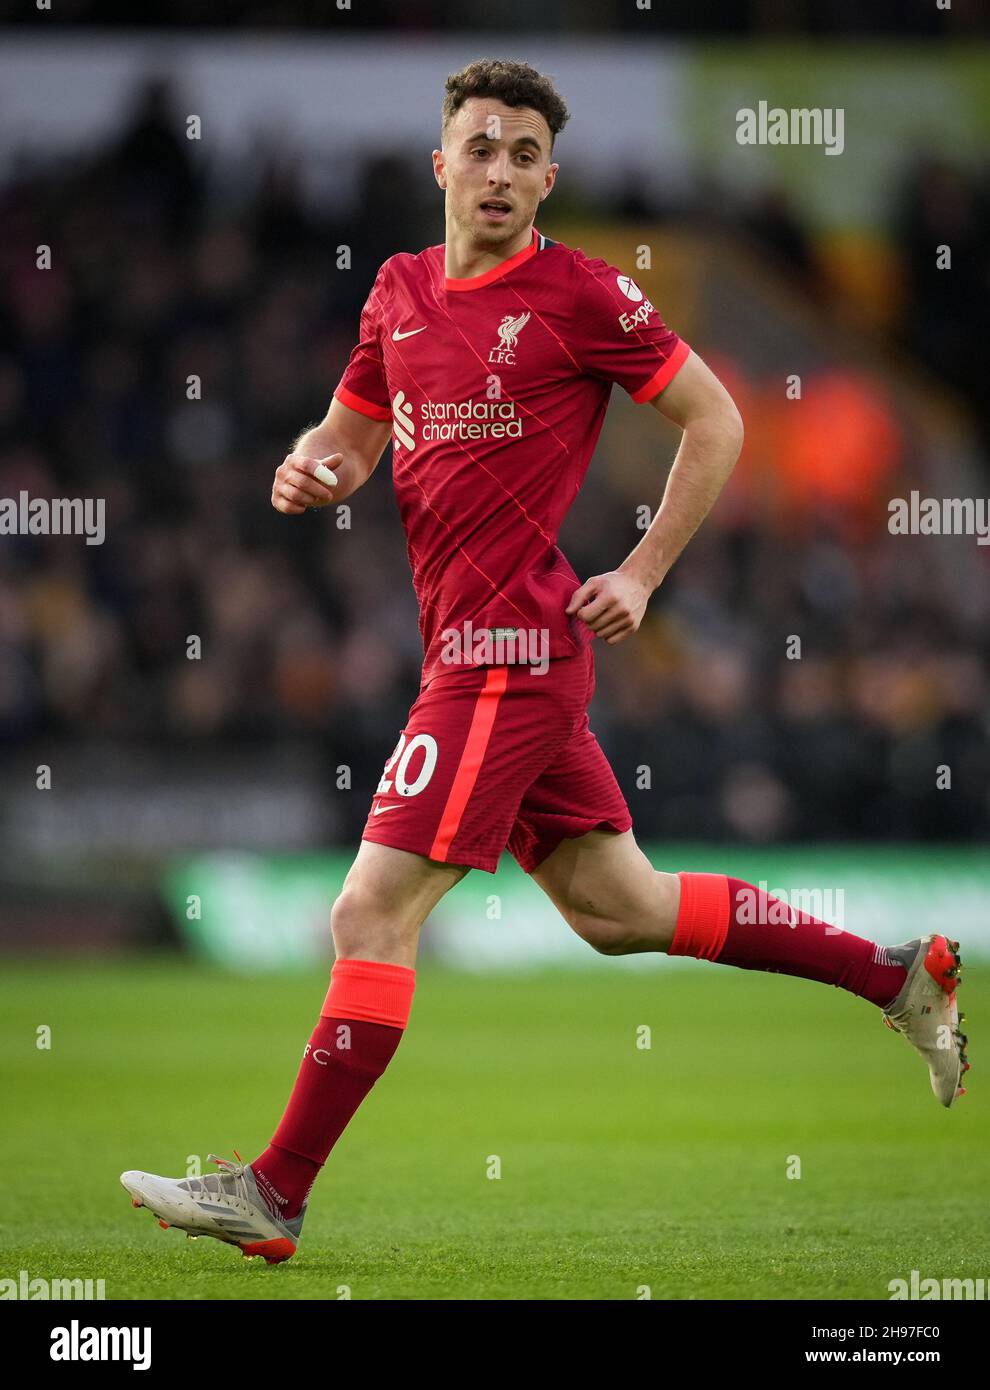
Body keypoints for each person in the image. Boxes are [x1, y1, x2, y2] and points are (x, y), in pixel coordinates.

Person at [121, 59, 968, 1265]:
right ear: (442, 164)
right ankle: (892, 976)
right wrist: (310, 466)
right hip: (467, 657)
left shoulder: (581, 295)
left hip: (509, 659)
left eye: (526, 155)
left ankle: (274, 1192)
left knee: (369, 910)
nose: (501, 171)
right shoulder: (400, 293)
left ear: (549, 179)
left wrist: (640, 570)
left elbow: (717, 420)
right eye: (481, 147)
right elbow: (351, 439)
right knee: (621, 910)